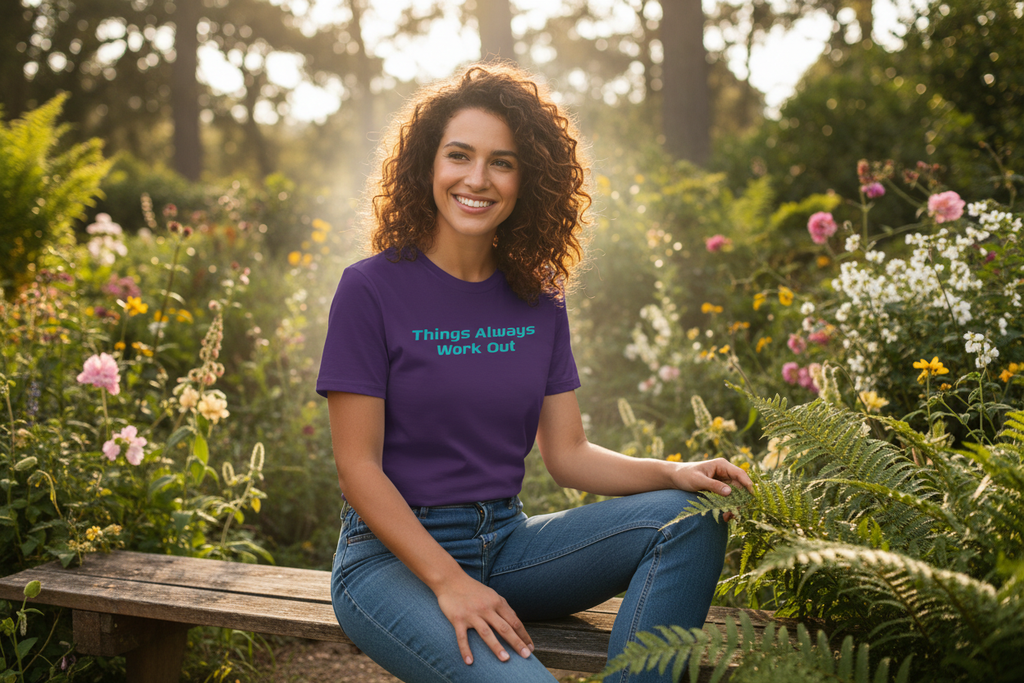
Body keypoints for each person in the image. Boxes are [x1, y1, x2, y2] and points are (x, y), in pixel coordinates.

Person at [316, 63, 752, 683]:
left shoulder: (538, 294)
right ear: (427, 167)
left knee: (691, 517)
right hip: (392, 561)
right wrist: (451, 583)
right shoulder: (371, 289)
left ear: (529, 179)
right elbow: (357, 468)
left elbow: (568, 453)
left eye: (502, 162)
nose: (477, 179)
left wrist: (672, 472)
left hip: (507, 542)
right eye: (459, 156)